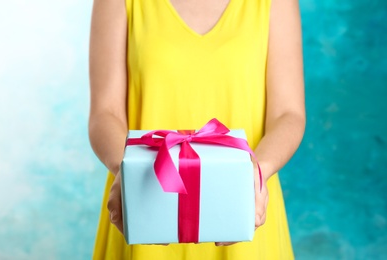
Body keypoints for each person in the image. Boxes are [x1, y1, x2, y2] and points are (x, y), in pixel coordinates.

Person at [88, 0, 305, 258]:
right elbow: (105, 112)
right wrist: (124, 170)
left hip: (246, 203)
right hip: (141, 199)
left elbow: (287, 114)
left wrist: (258, 173)